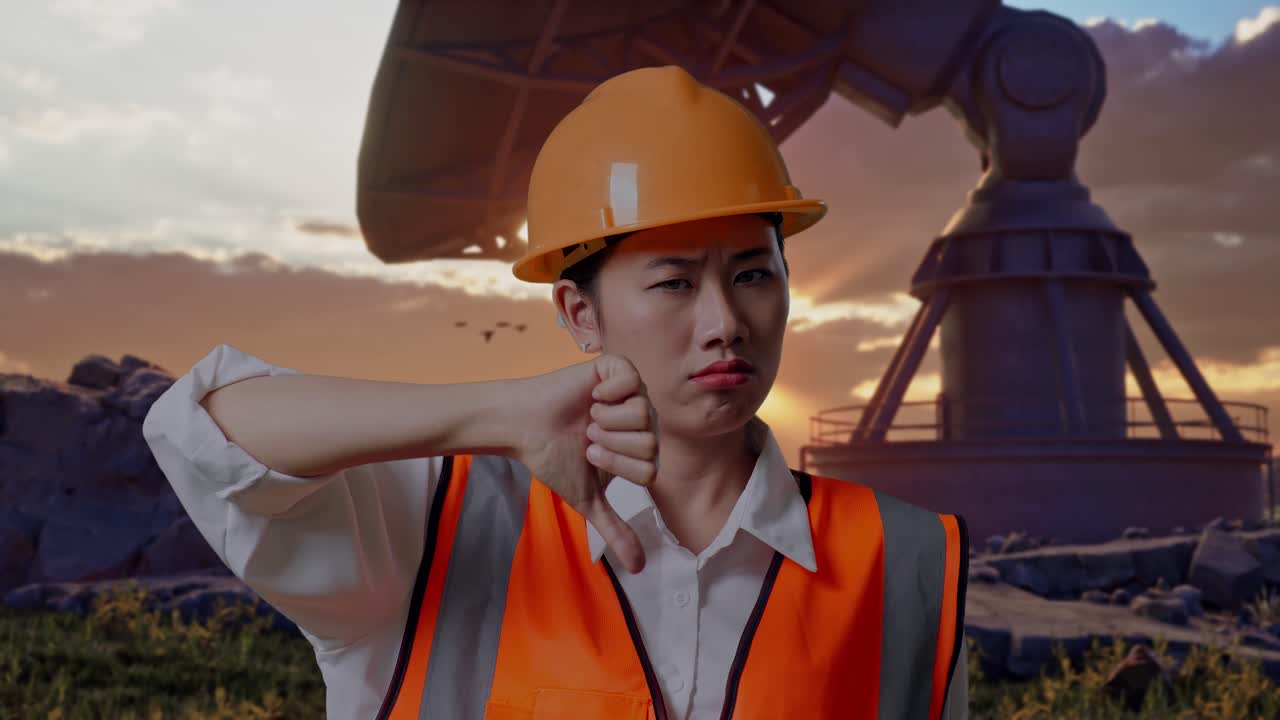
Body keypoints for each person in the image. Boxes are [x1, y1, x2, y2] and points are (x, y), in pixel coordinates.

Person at [143, 65, 969, 720]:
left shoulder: (909, 565)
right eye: (675, 283)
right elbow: (205, 427)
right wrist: (498, 413)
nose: (726, 322)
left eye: (753, 273)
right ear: (579, 312)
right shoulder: (428, 530)